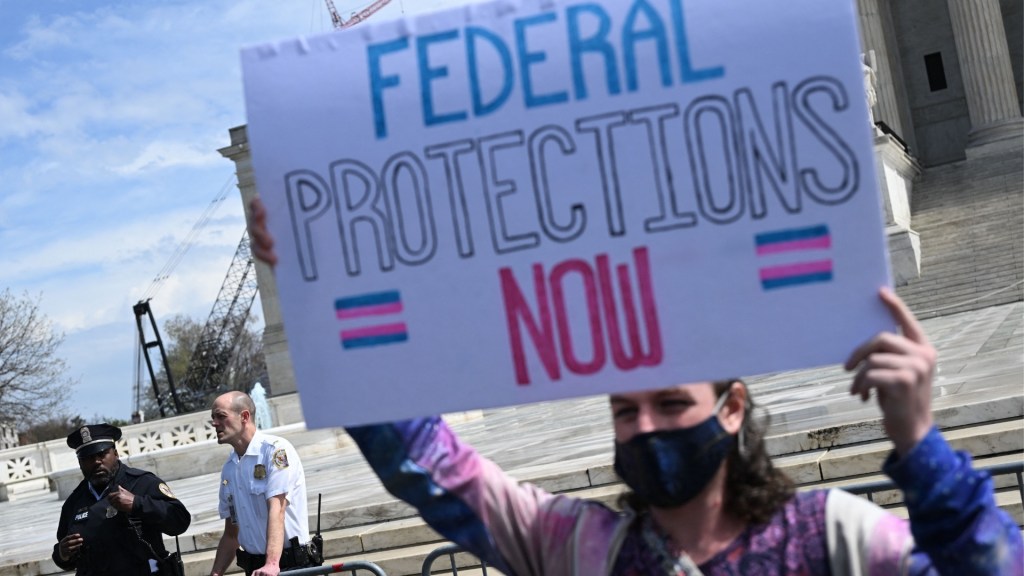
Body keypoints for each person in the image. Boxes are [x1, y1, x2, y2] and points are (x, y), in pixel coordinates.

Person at [248, 198, 1024, 575]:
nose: (646, 427)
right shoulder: (579, 547)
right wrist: (325, 296)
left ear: (732, 405)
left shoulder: (836, 538)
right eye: (625, 410)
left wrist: (921, 447)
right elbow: (429, 468)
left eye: (671, 403)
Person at [53, 423, 191, 575]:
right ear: (80, 463)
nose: (97, 462)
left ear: (116, 454)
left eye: (102, 454)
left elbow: (180, 521)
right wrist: (62, 554)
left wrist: (137, 503)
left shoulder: (142, 483)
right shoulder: (73, 502)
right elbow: (66, 555)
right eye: (88, 458)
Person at [208, 391, 320, 576]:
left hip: (288, 567)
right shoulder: (229, 468)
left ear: (244, 416)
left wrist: (272, 564)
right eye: (213, 418)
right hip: (256, 569)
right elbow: (231, 533)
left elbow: (277, 509)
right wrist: (216, 573)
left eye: (221, 416)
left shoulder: (275, 450)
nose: (214, 423)